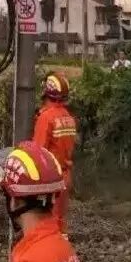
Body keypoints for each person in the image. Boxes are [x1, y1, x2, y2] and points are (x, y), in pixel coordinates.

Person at [33, 73, 77, 235]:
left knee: (46, 223)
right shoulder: (68, 118)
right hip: (65, 176)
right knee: (59, 221)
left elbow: (38, 153)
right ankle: (61, 247)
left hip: (50, 179)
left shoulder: (46, 118)